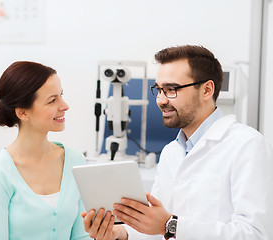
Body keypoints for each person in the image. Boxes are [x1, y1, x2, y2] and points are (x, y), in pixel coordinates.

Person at [82, 45, 273, 240]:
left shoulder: (247, 145)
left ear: (207, 90)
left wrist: (171, 226)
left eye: (171, 89)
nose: (161, 100)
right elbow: (156, 229)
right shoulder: (171, 152)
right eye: (158, 90)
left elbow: (256, 234)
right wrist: (119, 234)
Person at [0, 61, 90, 240]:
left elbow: (82, 236)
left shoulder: (76, 161)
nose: (65, 106)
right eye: (52, 100)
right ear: (22, 113)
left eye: (61, 95)